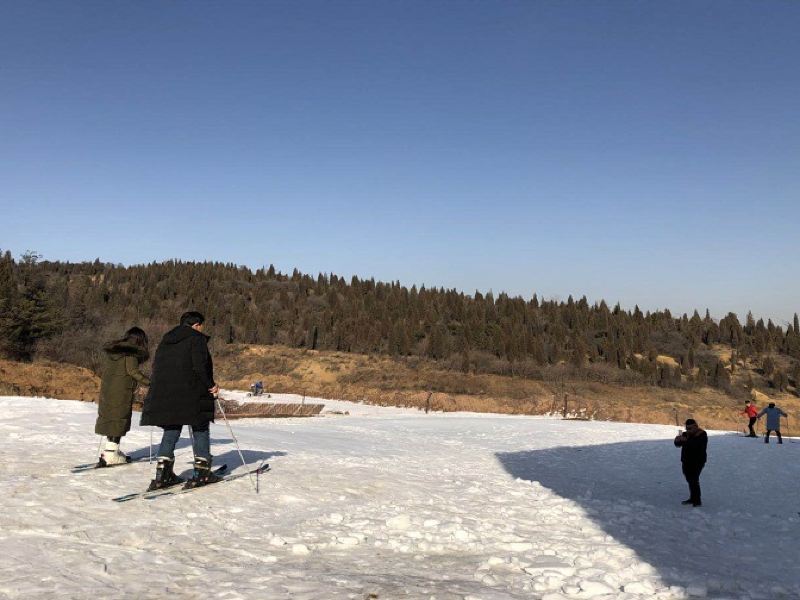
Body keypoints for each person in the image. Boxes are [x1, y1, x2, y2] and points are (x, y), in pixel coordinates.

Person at [141, 311, 222, 490]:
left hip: (166, 392)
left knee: (171, 427)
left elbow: (157, 367)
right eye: (202, 325)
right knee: (200, 425)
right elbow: (200, 366)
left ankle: (162, 474)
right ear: (197, 325)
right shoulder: (197, 339)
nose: (202, 329)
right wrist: (212, 385)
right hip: (192, 391)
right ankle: (202, 472)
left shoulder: (166, 340)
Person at [95, 327, 150, 466]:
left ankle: (110, 450)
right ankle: (111, 454)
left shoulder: (114, 353)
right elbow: (133, 372)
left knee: (110, 418)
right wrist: (150, 382)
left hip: (108, 389)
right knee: (119, 419)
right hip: (121, 391)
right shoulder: (130, 354)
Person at [674, 418, 708, 507]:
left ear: (696, 427)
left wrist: (686, 441)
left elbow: (697, 446)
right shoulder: (686, 434)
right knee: (689, 480)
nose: (688, 430)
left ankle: (697, 501)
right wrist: (677, 440)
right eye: (687, 428)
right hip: (686, 461)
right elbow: (678, 445)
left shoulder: (702, 434)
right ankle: (693, 498)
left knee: (693, 480)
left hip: (697, 461)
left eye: (690, 428)